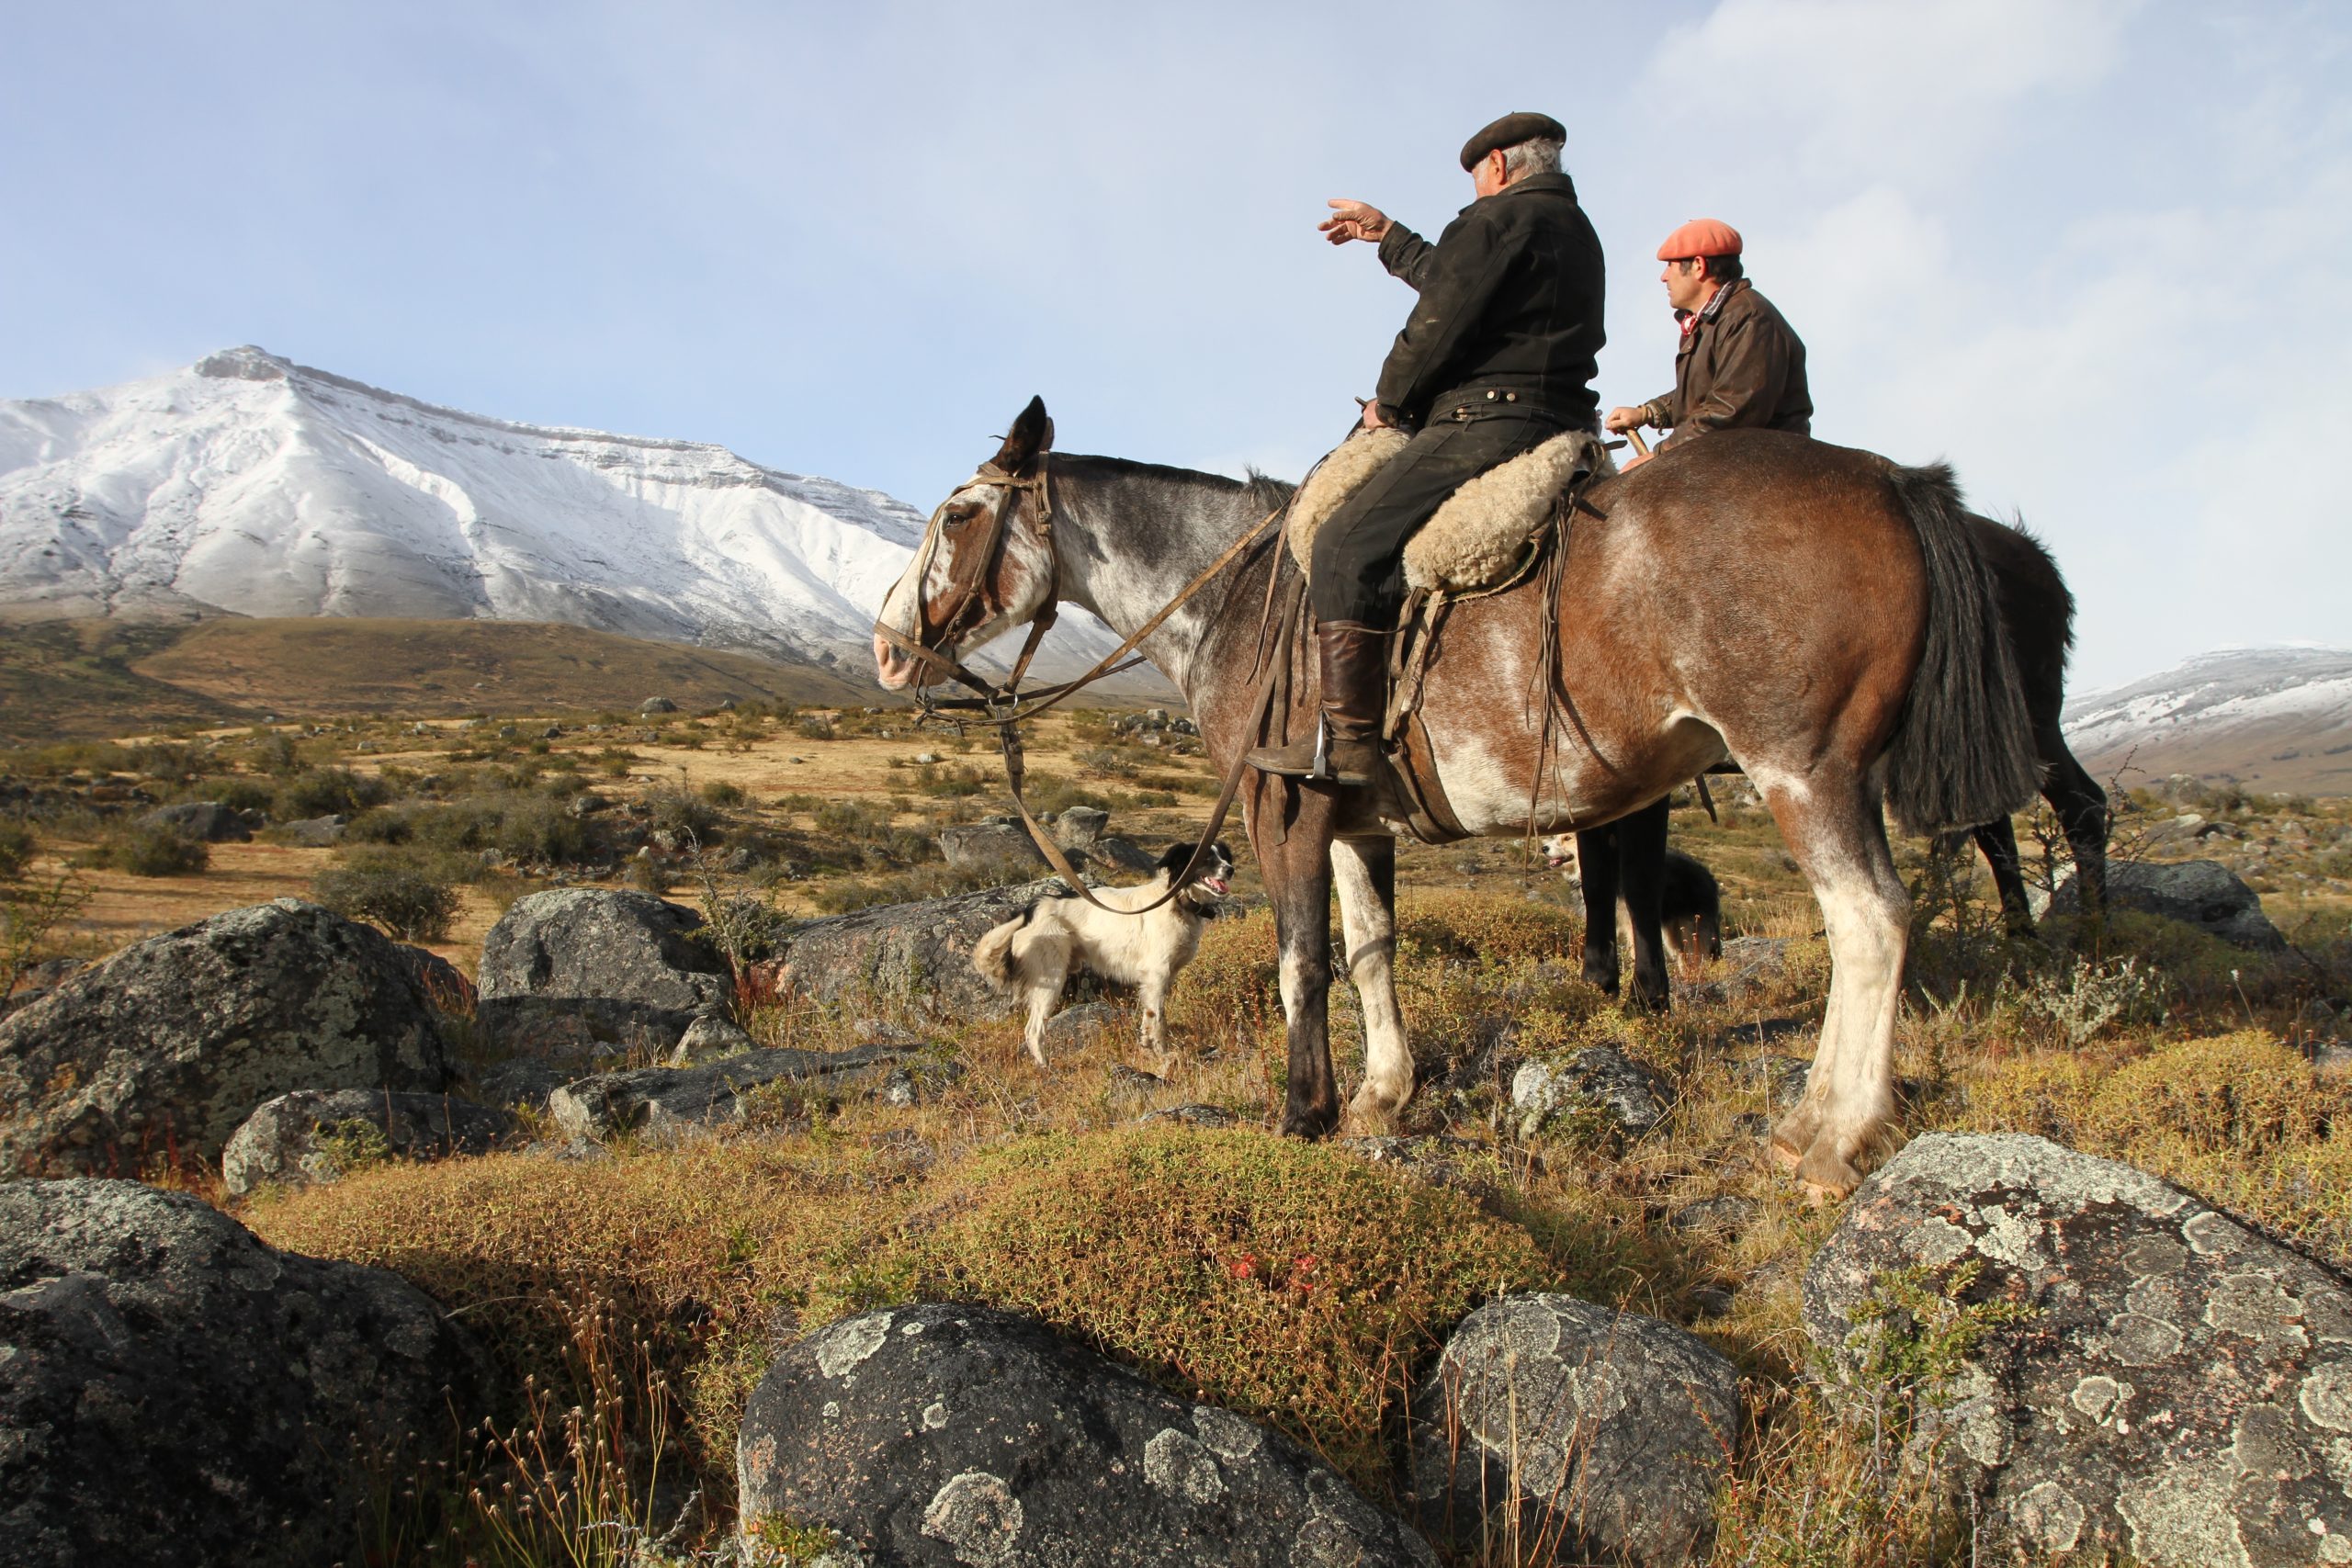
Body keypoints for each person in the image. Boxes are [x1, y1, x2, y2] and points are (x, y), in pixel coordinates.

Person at [1248, 111, 1605, 786]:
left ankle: (1350, 747)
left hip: (1485, 422)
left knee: (1344, 542)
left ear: (1497, 167)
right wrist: (1390, 237)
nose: (1474, 191)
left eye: (1476, 178)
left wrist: (1390, 401)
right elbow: (1465, 282)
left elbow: (1438, 322)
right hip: (1561, 419)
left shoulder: (1495, 220)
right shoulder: (1575, 232)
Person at [1605, 219, 1810, 468]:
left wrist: (1659, 456)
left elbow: (1731, 412)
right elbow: (1710, 395)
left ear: (1699, 266)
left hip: (1766, 472)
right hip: (1730, 465)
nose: (1663, 277)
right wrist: (1649, 412)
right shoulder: (1711, 321)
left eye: (1670, 265)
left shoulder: (1750, 318)